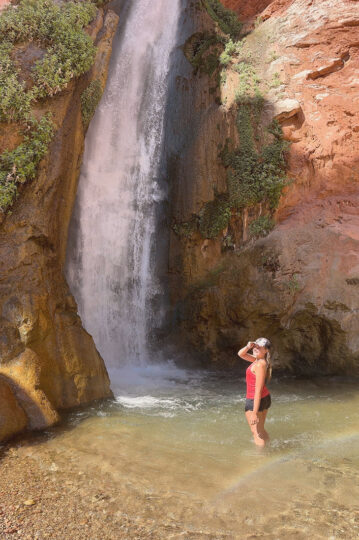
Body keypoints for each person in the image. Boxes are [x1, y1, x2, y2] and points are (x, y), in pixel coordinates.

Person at [237, 337, 272, 447]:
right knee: (260, 430)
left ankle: (261, 457)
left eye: (260, 347)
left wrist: (254, 413)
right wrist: (248, 346)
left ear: (266, 350)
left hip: (256, 400)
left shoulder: (260, 364)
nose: (256, 348)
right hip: (264, 398)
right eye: (256, 346)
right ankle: (269, 448)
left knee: (256, 433)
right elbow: (241, 354)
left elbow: (258, 390)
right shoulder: (259, 361)